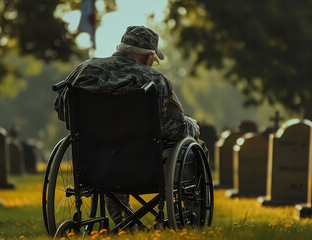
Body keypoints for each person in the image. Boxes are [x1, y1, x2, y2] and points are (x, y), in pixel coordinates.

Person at [54, 25, 205, 226]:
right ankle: (190, 219)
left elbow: (63, 111)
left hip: (96, 164)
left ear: (121, 48)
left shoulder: (84, 70)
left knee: (112, 159)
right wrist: (192, 126)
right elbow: (174, 129)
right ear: (150, 56)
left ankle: (126, 225)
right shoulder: (155, 80)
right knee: (196, 148)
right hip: (143, 165)